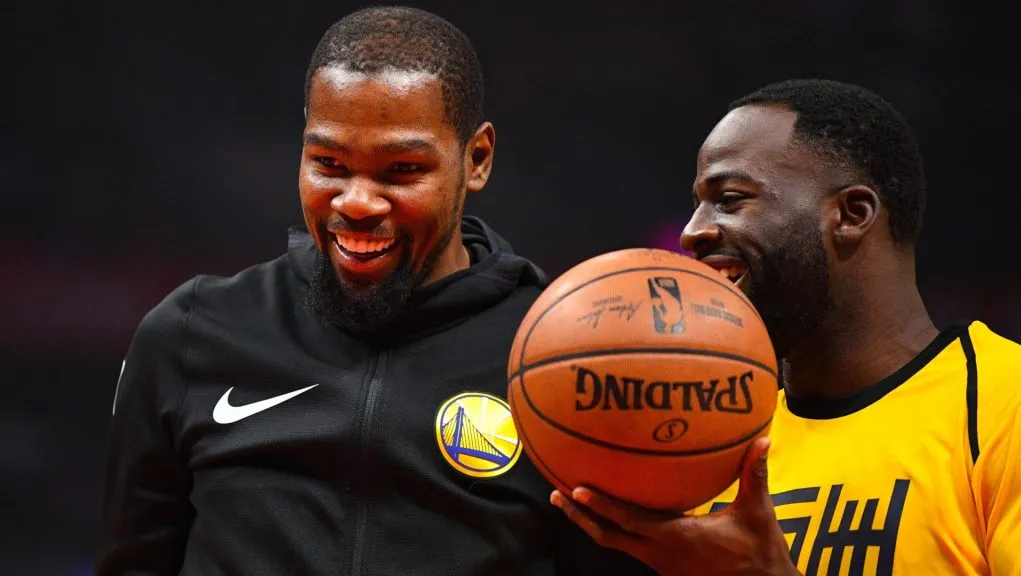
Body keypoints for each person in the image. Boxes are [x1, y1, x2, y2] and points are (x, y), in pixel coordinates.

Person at [96, 6, 653, 575]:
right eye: (329, 163)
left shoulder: (566, 359)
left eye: (402, 170)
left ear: (476, 159)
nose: (356, 202)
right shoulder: (190, 332)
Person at [551, 79, 1021, 575]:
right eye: (697, 203)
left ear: (851, 214)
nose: (691, 232)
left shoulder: (1002, 404)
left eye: (730, 199)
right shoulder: (704, 433)